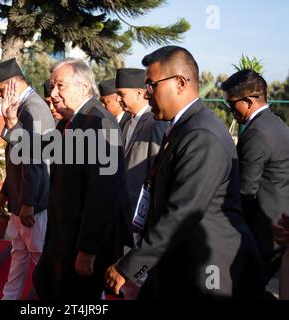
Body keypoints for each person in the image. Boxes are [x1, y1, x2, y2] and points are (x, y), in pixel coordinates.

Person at [105, 45, 265, 299]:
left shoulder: (201, 134)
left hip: (206, 273)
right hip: (177, 264)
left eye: (151, 85)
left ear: (180, 83)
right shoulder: (182, 127)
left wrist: (130, 265)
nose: (147, 95)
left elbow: (182, 214)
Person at [32, 58, 133, 300]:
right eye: (52, 86)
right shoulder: (71, 121)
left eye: (60, 86)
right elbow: (41, 151)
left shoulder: (99, 123)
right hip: (62, 238)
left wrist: (88, 249)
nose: (53, 94)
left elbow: (102, 194)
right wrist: (14, 124)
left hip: (79, 245)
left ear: (84, 87)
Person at [0, 58, 55, 300]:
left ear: (12, 85)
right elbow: (17, 158)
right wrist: (6, 191)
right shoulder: (21, 107)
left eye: (0, 91)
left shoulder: (34, 108)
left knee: (39, 261)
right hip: (21, 200)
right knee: (18, 254)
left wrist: (29, 202)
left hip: (33, 205)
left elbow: (36, 160)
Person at [221, 70, 289, 288]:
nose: (230, 111)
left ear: (248, 101)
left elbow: (245, 191)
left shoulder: (257, 132)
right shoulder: (277, 124)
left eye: (232, 105)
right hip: (277, 224)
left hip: (262, 231)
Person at [115, 68, 167, 223]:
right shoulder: (127, 123)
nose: (118, 99)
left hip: (140, 216)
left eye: (121, 94)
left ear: (139, 93)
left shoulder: (155, 123)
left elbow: (156, 174)